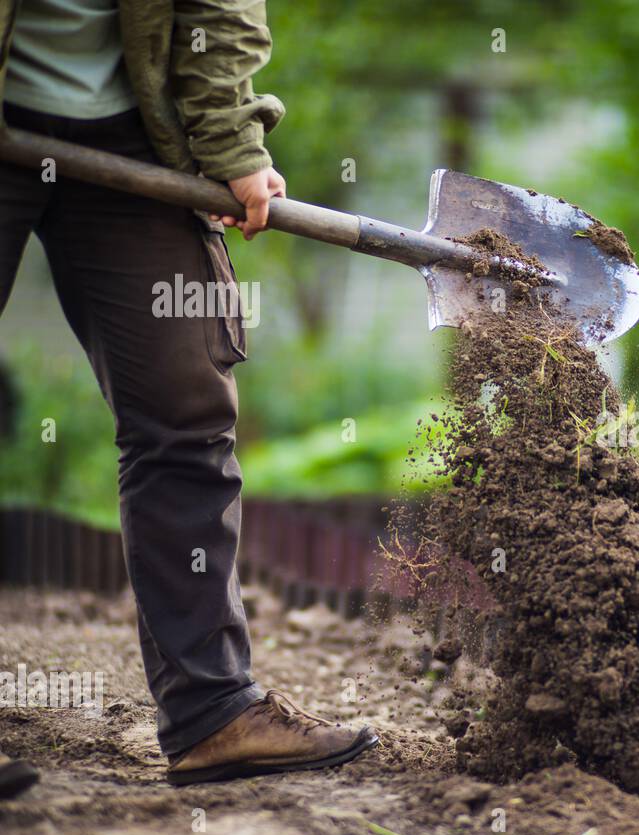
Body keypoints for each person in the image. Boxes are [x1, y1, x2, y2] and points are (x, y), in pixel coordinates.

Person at [0, 0, 376, 785]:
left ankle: (213, 713)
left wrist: (230, 142)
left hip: (136, 123)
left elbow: (218, 8)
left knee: (183, 408)